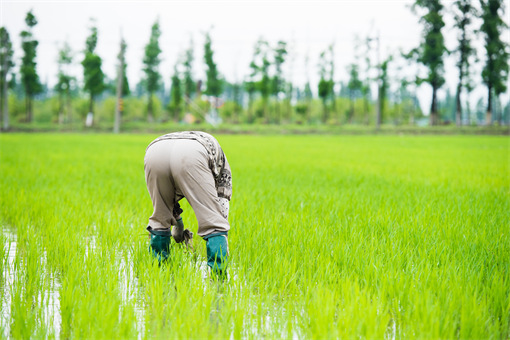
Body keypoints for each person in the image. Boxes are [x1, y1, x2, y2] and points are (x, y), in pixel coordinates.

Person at [144, 131, 232, 275]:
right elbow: (221, 207)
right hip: (192, 154)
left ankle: (158, 273)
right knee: (214, 223)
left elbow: (169, 208)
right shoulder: (222, 170)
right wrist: (221, 235)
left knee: (160, 218)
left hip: (155, 151)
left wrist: (178, 229)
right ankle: (219, 278)